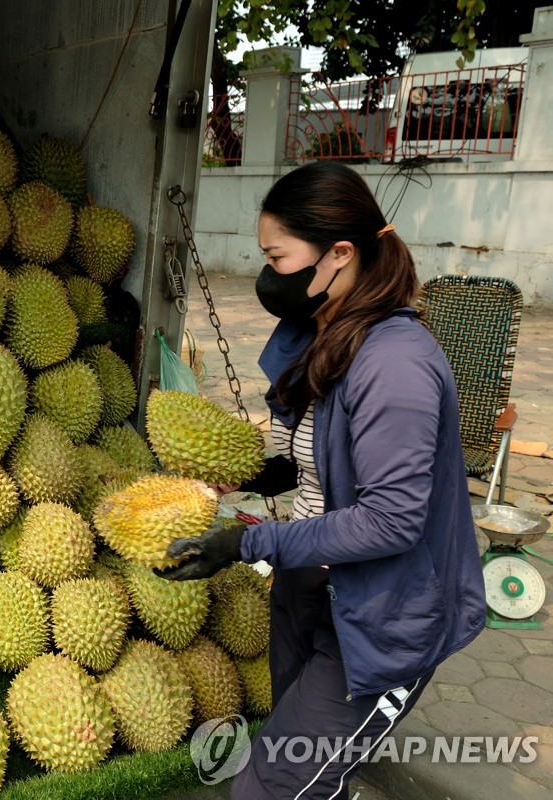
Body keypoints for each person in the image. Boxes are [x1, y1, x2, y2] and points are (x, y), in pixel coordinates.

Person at [157, 161, 486, 799]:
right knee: (298, 762)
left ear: (339, 253)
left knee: (269, 786)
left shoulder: (396, 364)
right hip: (313, 587)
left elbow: (391, 519)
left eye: (277, 256)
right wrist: (244, 475)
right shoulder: (329, 332)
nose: (266, 275)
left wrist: (245, 544)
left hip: (383, 620)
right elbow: (319, 461)